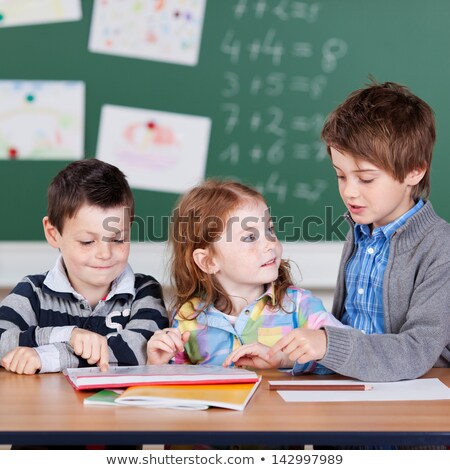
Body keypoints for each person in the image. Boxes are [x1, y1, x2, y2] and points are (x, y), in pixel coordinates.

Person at [269, 80, 450, 382]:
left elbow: (417, 350)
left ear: (414, 171)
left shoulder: (440, 248)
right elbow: (346, 332)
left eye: (366, 179)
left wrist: (328, 343)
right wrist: (292, 356)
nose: (349, 192)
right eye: (341, 176)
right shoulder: (359, 233)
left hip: (420, 393)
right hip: (357, 388)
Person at [147, 179, 343, 370]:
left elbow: (348, 356)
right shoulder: (187, 319)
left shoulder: (301, 306)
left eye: (270, 229)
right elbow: (176, 387)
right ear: (208, 261)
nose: (270, 243)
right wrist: (156, 365)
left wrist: (286, 359)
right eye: (250, 237)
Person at [0, 158, 169, 375]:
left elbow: (139, 349)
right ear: (53, 234)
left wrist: (47, 356)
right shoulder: (33, 292)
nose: (104, 254)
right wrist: (69, 334)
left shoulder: (144, 291)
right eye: (87, 242)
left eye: (118, 240)